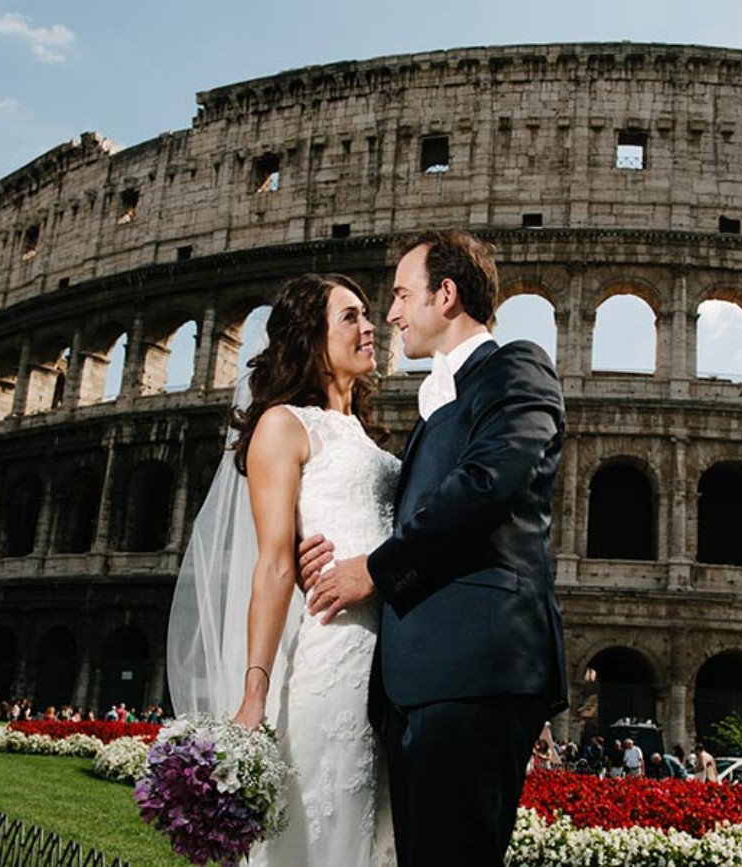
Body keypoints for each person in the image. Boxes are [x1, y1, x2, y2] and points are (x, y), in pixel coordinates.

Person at [300, 229, 568, 866]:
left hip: (476, 663)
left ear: (446, 295)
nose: (389, 315)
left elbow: (486, 487)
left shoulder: (516, 365)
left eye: (400, 295)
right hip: (419, 680)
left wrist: (374, 568)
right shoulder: (435, 402)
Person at [168, 273, 398, 867]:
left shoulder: (367, 436)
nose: (369, 326)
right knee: (326, 829)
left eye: (368, 314)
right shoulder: (283, 425)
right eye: (349, 316)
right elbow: (273, 563)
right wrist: (253, 692)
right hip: (335, 657)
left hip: (391, 663)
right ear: (309, 337)